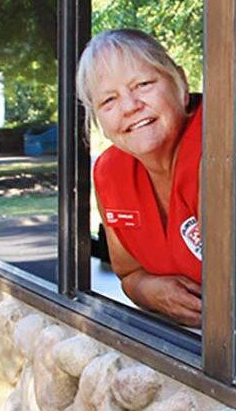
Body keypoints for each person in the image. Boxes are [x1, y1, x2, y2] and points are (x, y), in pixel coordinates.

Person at [77, 29, 203, 327]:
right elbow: (129, 273)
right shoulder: (109, 172)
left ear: (181, 83)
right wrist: (152, 292)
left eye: (143, 84)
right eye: (108, 101)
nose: (130, 106)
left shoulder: (219, 149)